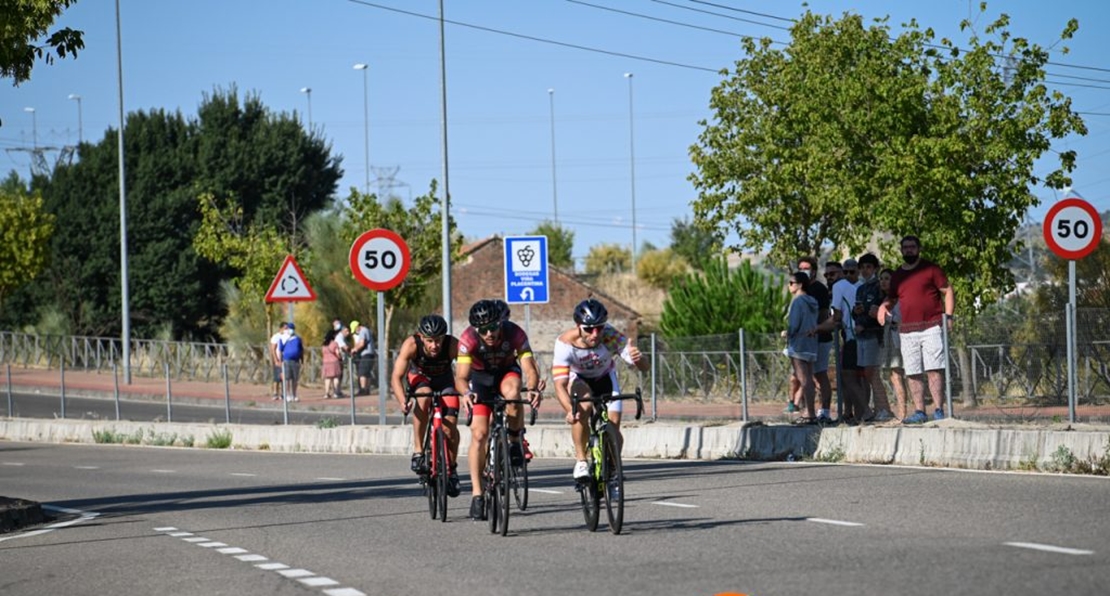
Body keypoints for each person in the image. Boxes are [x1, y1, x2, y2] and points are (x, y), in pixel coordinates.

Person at [455, 299, 543, 520]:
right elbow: (461, 378)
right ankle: (477, 494)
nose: (489, 334)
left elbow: (530, 368)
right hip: (480, 379)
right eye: (483, 330)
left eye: (493, 327)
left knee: (513, 393)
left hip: (506, 372)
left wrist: (532, 388)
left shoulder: (515, 333)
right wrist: (466, 393)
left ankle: (514, 441)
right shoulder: (467, 339)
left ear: (501, 323)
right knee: (479, 434)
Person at [552, 298, 650, 481]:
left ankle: (613, 470)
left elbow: (644, 367)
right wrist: (569, 410)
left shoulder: (610, 336)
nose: (595, 334)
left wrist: (639, 358)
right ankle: (581, 460)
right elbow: (560, 385)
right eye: (589, 329)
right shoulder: (565, 344)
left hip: (605, 377)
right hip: (579, 378)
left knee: (613, 426)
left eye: (599, 327)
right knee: (584, 407)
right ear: (578, 326)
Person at [879, 235, 954, 424]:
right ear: (902, 250)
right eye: (905, 247)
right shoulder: (897, 275)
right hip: (907, 331)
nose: (909, 250)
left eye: (912, 247)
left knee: (934, 368)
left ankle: (938, 410)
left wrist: (949, 316)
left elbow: (948, 290)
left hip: (931, 326)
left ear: (918, 248)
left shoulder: (931, 269)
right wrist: (883, 306)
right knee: (912, 371)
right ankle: (919, 411)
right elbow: (892, 298)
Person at [390, 314, 462, 497]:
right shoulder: (411, 344)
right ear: (421, 337)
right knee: (424, 397)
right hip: (419, 378)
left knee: (450, 426)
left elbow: (469, 371)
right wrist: (402, 401)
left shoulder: (453, 345)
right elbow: (396, 377)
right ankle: (418, 451)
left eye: (438, 340)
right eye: (429, 341)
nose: (434, 346)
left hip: (444, 381)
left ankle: (452, 470)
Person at [853, 253, 895, 422]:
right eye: (862, 267)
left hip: (874, 335)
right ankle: (879, 408)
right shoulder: (860, 289)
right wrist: (855, 315)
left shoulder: (879, 287)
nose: (865, 270)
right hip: (861, 335)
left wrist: (869, 319)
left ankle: (884, 408)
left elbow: (880, 314)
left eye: (868, 267)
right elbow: (858, 312)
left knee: (873, 372)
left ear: (875, 269)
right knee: (867, 374)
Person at [798, 256, 834, 424]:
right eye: (801, 268)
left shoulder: (818, 289)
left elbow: (823, 313)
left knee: (820, 374)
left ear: (813, 270)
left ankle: (824, 411)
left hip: (819, 338)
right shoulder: (800, 289)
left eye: (807, 268)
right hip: (804, 339)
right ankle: (809, 411)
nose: (803, 270)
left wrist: (813, 328)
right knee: (805, 376)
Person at [831, 258, 867, 423]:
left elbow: (837, 313)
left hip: (852, 335)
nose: (848, 275)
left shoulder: (839, 286)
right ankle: (858, 414)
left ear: (858, 271)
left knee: (849, 376)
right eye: (845, 272)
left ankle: (865, 411)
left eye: (851, 271)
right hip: (863, 334)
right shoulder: (864, 286)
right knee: (861, 376)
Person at [784, 272, 819, 423]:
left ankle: (810, 413)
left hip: (798, 344)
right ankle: (810, 410)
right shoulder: (813, 301)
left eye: (791, 282)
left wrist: (787, 333)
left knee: (803, 379)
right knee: (808, 379)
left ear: (799, 284)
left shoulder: (797, 301)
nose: (789, 285)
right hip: (811, 343)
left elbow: (794, 324)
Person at [879, 268, 908, 419]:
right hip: (888, 338)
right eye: (881, 279)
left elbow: (900, 319)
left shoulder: (898, 299)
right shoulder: (885, 299)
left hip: (897, 338)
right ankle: (900, 412)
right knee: (892, 375)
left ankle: (903, 413)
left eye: (887, 278)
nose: (883, 281)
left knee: (897, 375)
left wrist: (886, 317)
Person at [350, 320, 376, 396]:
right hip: (370, 354)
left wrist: (354, 349)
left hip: (366, 354)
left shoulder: (363, 331)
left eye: (355, 330)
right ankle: (367, 389)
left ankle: (363, 389)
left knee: (362, 372)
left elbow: (362, 343)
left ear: (357, 327)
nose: (356, 332)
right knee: (367, 372)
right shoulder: (367, 330)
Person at [279, 323, 303, 401]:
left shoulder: (297, 339)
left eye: (291, 328)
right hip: (286, 361)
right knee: (287, 379)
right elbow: (280, 350)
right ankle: (287, 395)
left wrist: (302, 360)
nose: (290, 330)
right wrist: (280, 360)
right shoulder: (283, 338)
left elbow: (301, 350)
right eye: (289, 328)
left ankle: (294, 395)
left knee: (295, 379)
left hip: (295, 361)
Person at [321, 324, 344, 399]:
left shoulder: (324, 345)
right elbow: (337, 353)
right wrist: (340, 358)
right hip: (334, 362)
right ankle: (336, 392)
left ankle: (326, 393)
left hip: (326, 363)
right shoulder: (334, 343)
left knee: (327, 378)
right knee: (336, 377)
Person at [269, 322, 288, 400]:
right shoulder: (276, 337)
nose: (286, 330)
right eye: (285, 328)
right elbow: (273, 349)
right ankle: (275, 393)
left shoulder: (287, 337)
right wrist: (276, 359)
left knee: (284, 377)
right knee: (277, 377)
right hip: (278, 359)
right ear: (281, 328)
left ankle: (283, 393)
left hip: (285, 359)